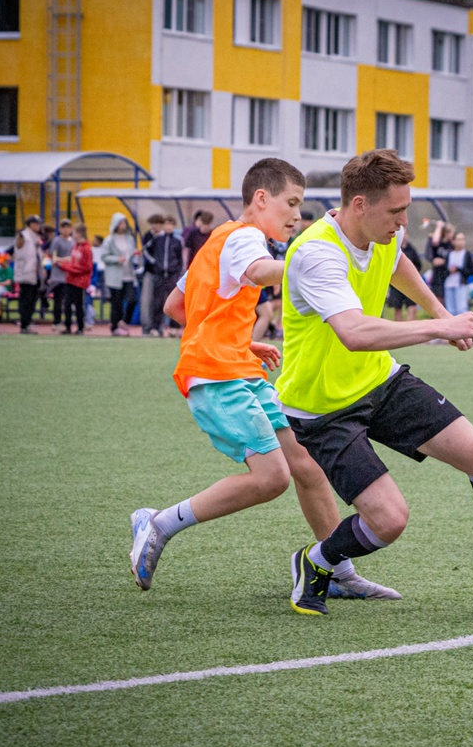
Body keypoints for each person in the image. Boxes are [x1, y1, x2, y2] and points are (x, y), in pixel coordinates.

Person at [274, 149, 473, 616]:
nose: (403, 221)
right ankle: (317, 561)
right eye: (396, 211)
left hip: (379, 382)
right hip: (322, 408)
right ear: (360, 204)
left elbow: (396, 263)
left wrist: (441, 311)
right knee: (389, 520)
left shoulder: (382, 232)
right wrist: (439, 327)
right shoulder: (316, 253)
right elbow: (354, 332)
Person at [128, 158, 398, 603]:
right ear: (260, 198)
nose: (297, 215)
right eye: (290, 203)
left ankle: (337, 571)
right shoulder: (246, 238)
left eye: (300, 206)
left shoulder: (220, 239)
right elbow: (258, 271)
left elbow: (178, 306)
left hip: (237, 368)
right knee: (272, 478)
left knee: (307, 464)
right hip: (217, 377)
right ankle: (159, 523)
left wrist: (239, 341)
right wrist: (314, 262)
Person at [144, 215, 185, 337]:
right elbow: (146, 250)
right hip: (160, 274)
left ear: (174, 226)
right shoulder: (158, 239)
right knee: (158, 301)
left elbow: (181, 258)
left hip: (172, 274)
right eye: (166, 224)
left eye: (171, 224)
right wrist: (154, 262)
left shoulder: (178, 240)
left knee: (174, 301)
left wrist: (178, 271)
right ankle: (156, 327)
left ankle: (174, 327)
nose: (168, 227)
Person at [101, 213, 139, 336]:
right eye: (120, 222)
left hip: (128, 275)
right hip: (115, 276)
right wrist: (117, 259)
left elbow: (131, 254)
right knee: (116, 303)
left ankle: (123, 321)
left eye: (124, 222)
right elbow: (104, 256)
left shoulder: (130, 239)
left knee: (132, 299)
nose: (123, 225)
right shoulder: (109, 240)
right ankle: (114, 327)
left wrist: (134, 256)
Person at [53, 223, 93, 334]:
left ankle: (80, 327)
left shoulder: (86, 249)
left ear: (79, 233)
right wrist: (62, 263)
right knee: (67, 304)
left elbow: (86, 267)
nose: (72, 234)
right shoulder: (75, 246)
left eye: (74, 232)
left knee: (78, 305)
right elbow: (72, 261)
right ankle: (68, 326)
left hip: (79, 282)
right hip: (70, 280)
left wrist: (65, 267)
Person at [13, 215, 44, 334]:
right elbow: (20, 254)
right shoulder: (23, 236)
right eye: (36, 223)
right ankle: (24, 324)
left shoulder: (36, 238)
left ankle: (28, 321)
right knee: (26, 299)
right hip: (26, 272)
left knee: (32, 300)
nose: (38, 226)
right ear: (31, 224)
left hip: (35, 273)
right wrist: (25, 268)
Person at [46, 219, 76, 332]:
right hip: (58, 276)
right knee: (58, 300)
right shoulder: (56, 241)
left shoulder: (73, 242)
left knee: (68, 301)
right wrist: (65, 260)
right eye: (63, 227)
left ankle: (67, 322)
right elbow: (53, 257)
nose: (66, 230)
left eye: (68, 227)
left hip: (69, 275)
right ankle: (56, 321)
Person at [139, 214, 166, 334]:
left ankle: (158, 326)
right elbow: (145, 251)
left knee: (160, 301)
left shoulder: (165, 237)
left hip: (162, 273)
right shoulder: (148, 236)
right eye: (153, 224)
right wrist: (155, 262)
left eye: (158, 224)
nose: (155, 226)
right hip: (150, 272)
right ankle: (146, 326)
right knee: (146, 299)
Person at [386, 237, 422, 321]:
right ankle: (399, 327)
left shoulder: (411, 249)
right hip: (396, 283)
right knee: (397, 308)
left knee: (412, 307)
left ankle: (409, 326)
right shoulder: (393, 248)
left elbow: (418, 264)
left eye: (406, 234)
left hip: (410, 283)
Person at [442, 230, 473, 316]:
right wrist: (449, 271)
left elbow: (471, 271)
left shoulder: (466, 254)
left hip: (461, 285)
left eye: (463, 239)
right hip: (449, 284)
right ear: (453, 241)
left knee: (461, 308)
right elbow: (444, 270)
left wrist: (458, 269)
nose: (461, 242)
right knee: (450, 310)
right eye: (459, 239)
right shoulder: (449, 254)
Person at [425, 219, 454, 302]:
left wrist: (444, 261)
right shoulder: (438, 242)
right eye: (450, 232)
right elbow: (434, 242)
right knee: (438, 297)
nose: (452, 235)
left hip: (448, 274)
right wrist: (439, 227)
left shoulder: (451, 245)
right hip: (438, 274)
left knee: (447, 299)